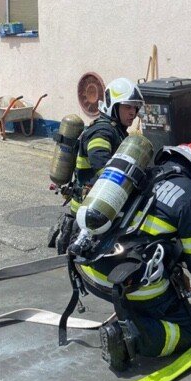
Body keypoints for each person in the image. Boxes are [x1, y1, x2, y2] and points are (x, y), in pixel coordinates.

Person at [77, 140, 191, 371]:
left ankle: (134, 313)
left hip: (91, 267)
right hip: (124, 279)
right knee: (189, 330)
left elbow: (154, 236)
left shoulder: (147, 175)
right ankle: (127, 339)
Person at [54, 77, 145, 254]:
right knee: (86, 260)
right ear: (113, 105)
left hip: (100, 205)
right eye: (127, 107)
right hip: (89, 210)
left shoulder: (117, 130)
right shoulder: (102, 132)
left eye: (135, 107)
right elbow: (101, 163)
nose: (133, 112)